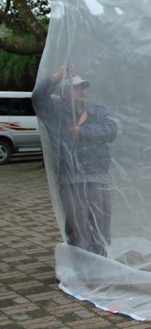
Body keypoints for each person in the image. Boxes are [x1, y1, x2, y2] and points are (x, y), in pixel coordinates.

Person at [32, 65, 118, 256]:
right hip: (70, 178)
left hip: (96, 175)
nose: (81, 91)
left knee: (101, 221)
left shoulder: (97, 112)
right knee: (76, 223)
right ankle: (79, 262)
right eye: (76, 87)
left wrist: (84, 132)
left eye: (83, 87)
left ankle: (100, 260)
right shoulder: (54, 112)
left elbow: (111, 130)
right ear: (64, 93)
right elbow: (38, 97)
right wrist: (58, 75)